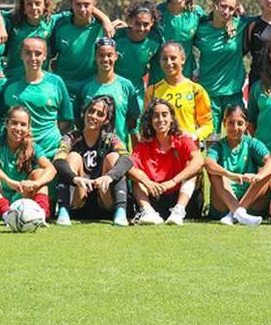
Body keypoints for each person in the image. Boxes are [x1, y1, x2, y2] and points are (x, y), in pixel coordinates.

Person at [53, 95, 134, 227]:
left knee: (113, 157)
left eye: (100, 114)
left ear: (106, 120)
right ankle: (63, 211)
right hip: (79, 200)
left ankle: (120, 212)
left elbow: (127, 160)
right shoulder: (72, 137)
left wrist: (108, 177)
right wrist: (75, 179)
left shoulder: (111, 138)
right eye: (91, 111)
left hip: (105, 199)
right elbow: (58, 161)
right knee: (73, 157)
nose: (93, 116)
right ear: (84, 112)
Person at [127, 98, 204, 226]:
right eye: (156, 116)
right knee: (137, 179)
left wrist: (172, 182)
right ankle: (148, 212)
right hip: (155, 195)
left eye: (164, 115)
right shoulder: (144, 144)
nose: (160, 119)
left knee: (192, 170)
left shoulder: (182, 140)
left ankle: (178, 211)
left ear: (171, 119)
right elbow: (129, 167)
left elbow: (199, 160)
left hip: (180, 195)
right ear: (150, 121)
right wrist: (147, 182)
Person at [0, 105, 56, 222]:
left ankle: (41, 215)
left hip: (20, 202)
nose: (18, 128)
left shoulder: (33, 147)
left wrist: (36, 183)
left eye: (23, 124)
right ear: (6, 124)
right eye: (14, 123)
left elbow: (51, 169)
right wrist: (8, 181)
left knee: (40, 173)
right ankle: (7, 215)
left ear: (29, 127)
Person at [0, 36, 73, 157]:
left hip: (49, 152)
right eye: (28, 53)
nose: (33, 58)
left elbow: (65, 120)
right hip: (17, 154)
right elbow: (3, 117)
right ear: (21, 55)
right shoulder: (10, 84)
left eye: (38, 54)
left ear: (45, 56)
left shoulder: (56, 83)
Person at [204, 105, 271, 226]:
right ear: (224, 123)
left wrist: (259, 176)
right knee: (216, 175)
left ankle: (236, 213)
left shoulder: (252, 143)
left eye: (240, 123)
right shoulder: (218, 145)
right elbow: (208, 163)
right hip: (223, 204)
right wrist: (229, 174)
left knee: (268, 174)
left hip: (251, 201)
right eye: (231, 123)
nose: (235, 128)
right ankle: (239, 213)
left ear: (246, 125)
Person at [194, 0, 248, 137]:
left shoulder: (240, 25)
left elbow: (264, 20)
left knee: (237, 136)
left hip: (233, 93)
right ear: (215, 5)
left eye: (231, 8)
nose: (226, 11)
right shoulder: (201, 29)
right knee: (212, 138)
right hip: (208, 93)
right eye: (223, 6)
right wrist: (194, 70)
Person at [50, 0, 108, 108]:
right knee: (65, 126)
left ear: (94, 5)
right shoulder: (60, 23)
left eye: (87, 5)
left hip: (91, 86)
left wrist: (106, 19)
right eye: (78, 4)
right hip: (64, 86)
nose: (82, 9)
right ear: (71, 4)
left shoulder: (102, 27)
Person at [144, 42, 214, 144]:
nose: (169, 63)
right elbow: (147, 124)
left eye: (173, 58)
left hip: (187, 152)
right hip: (162, 153)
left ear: (183, 59)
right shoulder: (152, 91)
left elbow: (208, 125)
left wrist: (194, 135)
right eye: (164, 59)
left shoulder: (196, 90)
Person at [78, 38, 141, 145]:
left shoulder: (126, 86)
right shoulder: (85, 87)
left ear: (116, 56)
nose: (105, 59)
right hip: (91, 151)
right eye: (101, 55)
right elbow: (79, 122)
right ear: (95, 57)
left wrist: (135, 155)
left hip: (118, 151)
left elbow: (133, 125)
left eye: (109, 55)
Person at [150, 0, 206, 83]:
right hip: (159, 79)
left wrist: (235, 15)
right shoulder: (156, 12)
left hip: (186, 78)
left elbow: (214, 33)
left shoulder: (197, 14)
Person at [113, 1, 163, 104]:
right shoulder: (117, 36)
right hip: (115, 87)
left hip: (137, 91)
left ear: (152, 22)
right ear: (130, 21)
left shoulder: (155, 40)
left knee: (136, 118)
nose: (141, 28)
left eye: (146, 24)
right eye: (137, 23)